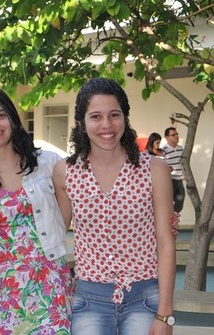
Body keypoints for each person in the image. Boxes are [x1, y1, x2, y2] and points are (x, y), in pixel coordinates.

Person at [53, 78, 176, 335]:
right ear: (82, 122)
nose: (106, 125)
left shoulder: (155, 169)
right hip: (89, 299)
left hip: (144, 297)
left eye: (114, 115)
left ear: (125, 118)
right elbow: (54, 233)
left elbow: (165, 242)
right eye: (96, 116)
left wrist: (165, 315)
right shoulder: (65, 172)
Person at [0, 85, 73, 334]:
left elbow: (82, 208)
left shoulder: (48, 164)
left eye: (0, 115)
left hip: (49, 290)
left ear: (12, 119)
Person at [161, 127, 185, 213]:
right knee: (167, 202)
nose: (176, 136)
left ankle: (172, 219)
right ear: (167, 137)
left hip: (179, 179)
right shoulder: (163, 150)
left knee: (180, 202)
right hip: (169, 180)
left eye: (177, 134)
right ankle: (166, 221)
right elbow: (161, 165)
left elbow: (183, 163)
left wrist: (184, 174)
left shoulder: (180, 149)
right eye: (173, 135)